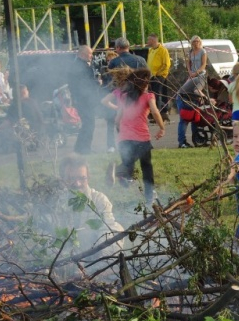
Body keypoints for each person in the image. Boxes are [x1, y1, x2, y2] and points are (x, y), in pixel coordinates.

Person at [103, 68, 165, 206]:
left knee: (129, 163)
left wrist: (120, 131)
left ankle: (120, 174)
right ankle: (149, 196)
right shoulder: (148, 96)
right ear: (144, 83)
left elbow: (118, 118)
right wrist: (161, 127)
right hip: (141, 138)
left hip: (123, 137)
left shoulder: (124, 97)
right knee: (146, 167)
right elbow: (155, 112)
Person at [69, 45, 102, 154]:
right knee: (89, 124)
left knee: (87, 123)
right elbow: (85, 84)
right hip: (85, 100)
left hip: (81, 99)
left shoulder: (75, 65)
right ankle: (84, 148)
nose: (92, 56)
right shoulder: (82, 67)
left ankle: (79, 147)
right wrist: (97, 82)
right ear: (83, 54)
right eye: (90, 54)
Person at [176, 36, 208, 148]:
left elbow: (204, 64)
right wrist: (190, 72)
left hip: (199, 74)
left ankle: (195, 137)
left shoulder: (203, 51)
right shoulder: (190, 52)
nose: (196, 43)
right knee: (185, 118)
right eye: (194, 41)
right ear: (192, 43)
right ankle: (182, 141)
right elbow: (188, 63)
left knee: (195, 115)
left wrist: (197, 73)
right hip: (190, 82)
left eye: (198, 41)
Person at [146, 34, 172, 115]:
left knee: (157, 93)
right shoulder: (150, 50)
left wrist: (158, 73)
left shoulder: (163, 50)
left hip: (160, 75)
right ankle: (155, 111)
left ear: (153, 40)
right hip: (151, 76)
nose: (147, 42)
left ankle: (159, 112)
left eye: (148, 40)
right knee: (152, 93)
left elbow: (166, 64)